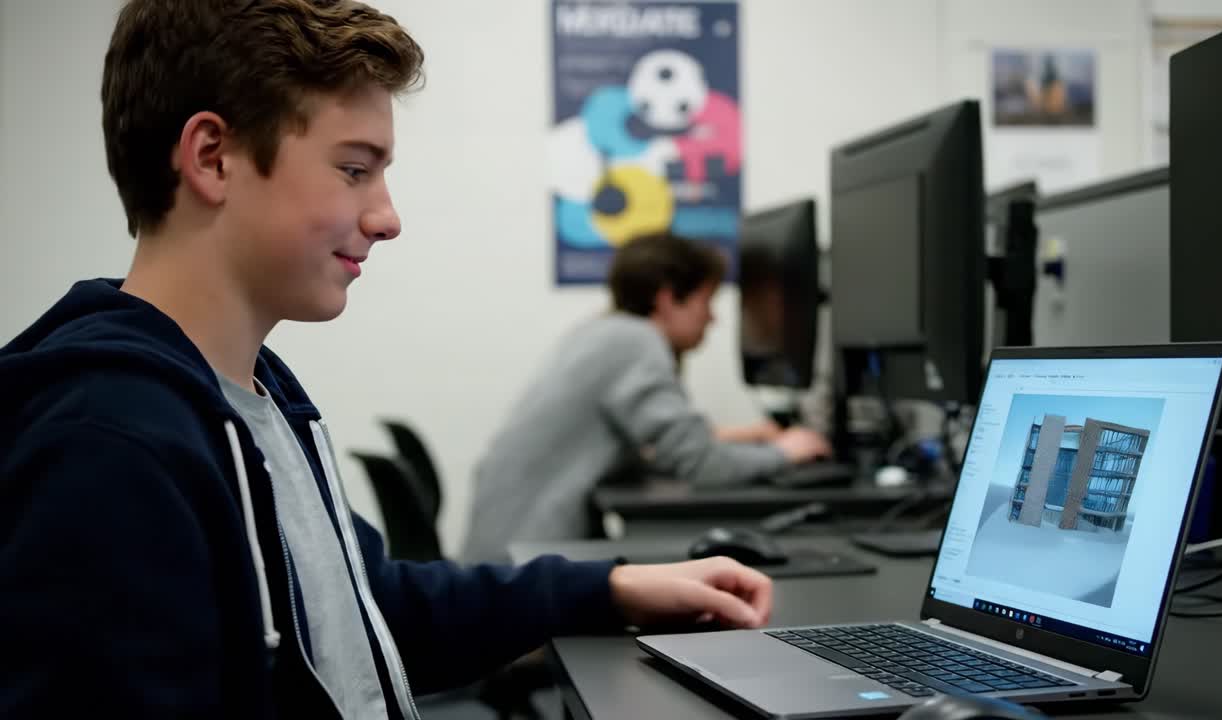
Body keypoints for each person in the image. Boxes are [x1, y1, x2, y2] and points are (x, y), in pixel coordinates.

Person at [0, 2, 774, 716]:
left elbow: (370, 604)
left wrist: (610, 588)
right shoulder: (108, 448)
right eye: (354, 168)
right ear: (213, 157)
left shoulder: (256, 394)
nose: (387, 216)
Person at [463, 233, 832, 563]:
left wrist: (745, 435)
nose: (713, 319)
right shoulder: (635, 342)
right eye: (706, 302)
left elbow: (652, 445)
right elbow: (702, 464)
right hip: (521, 568)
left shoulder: (605, 332)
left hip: (508, 549)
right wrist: (787, 452)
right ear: (669, 299)